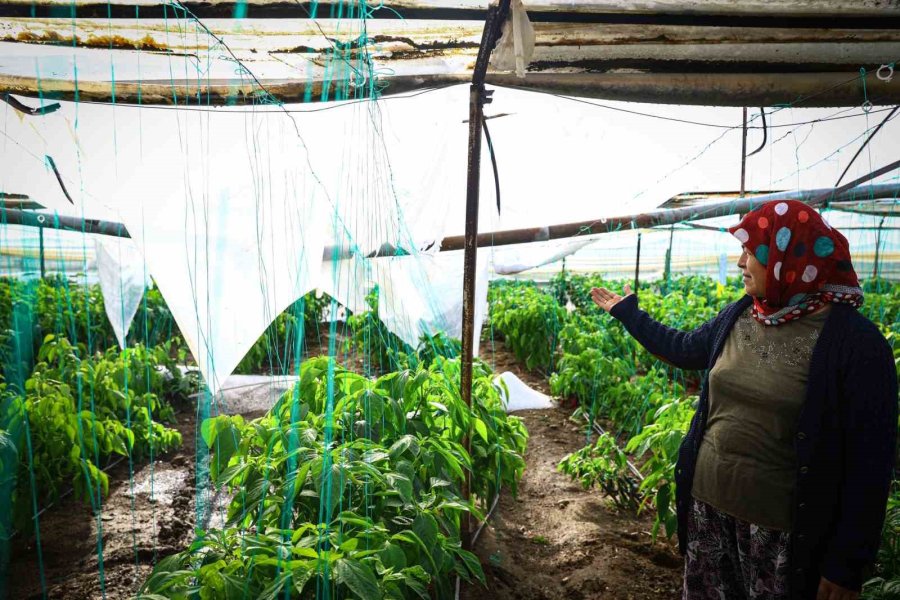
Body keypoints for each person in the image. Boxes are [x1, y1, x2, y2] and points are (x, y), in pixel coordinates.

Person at [591, 200, 897, 600]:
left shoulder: (856, 345)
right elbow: (685, 349)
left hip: (783, 540)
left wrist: (846, 563)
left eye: (751, 252)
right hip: (708, 514)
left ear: (788, 257)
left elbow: (870, 463)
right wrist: (630, 314)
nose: (740, 263)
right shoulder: (741, 315)